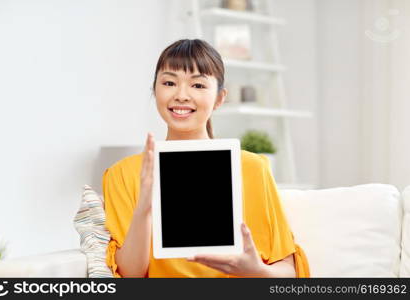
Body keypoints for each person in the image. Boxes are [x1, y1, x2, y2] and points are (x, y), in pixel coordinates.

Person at [102, 39, 310, 278]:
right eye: (169, 82)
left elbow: (288, 272)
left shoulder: (252, 168)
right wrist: (145, 209)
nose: (181, 95)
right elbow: (131, 275)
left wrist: (257, 271)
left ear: (220, 98)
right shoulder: (123, 174)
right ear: (155, 90)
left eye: (198, 85)